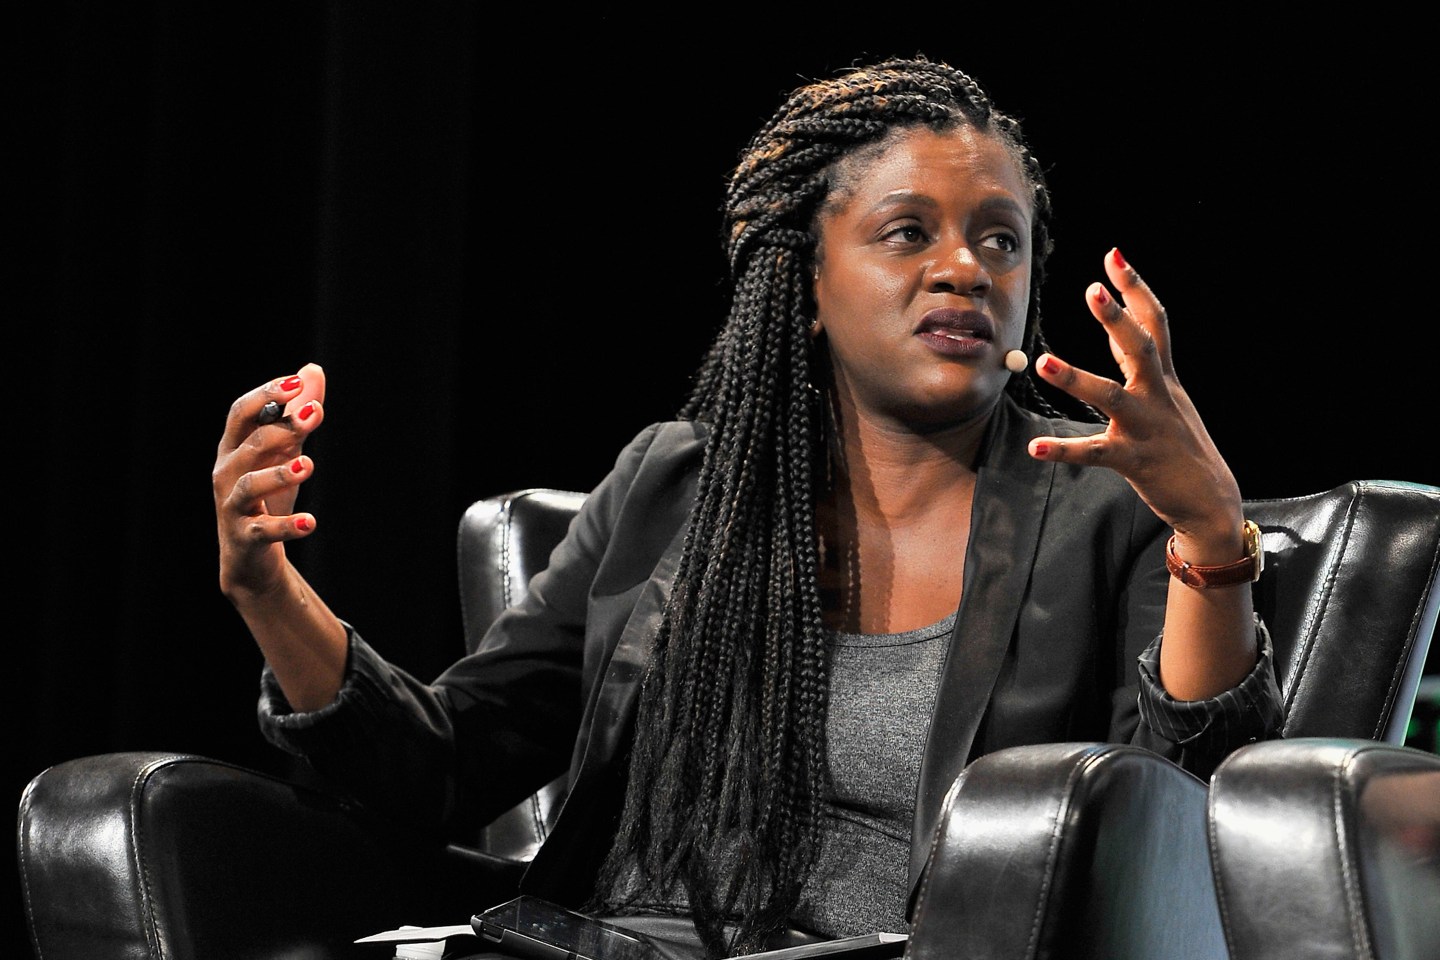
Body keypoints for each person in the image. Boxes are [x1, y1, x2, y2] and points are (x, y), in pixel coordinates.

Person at [212, 57, 1282, 958]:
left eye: (1001, 240)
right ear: (807, 281)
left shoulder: (1103, 510)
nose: (965, 267)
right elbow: (440, 766)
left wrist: (1208, 537)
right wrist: (267, 589)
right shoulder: (674, 485)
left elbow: (1174, 831)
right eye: (908, 232)